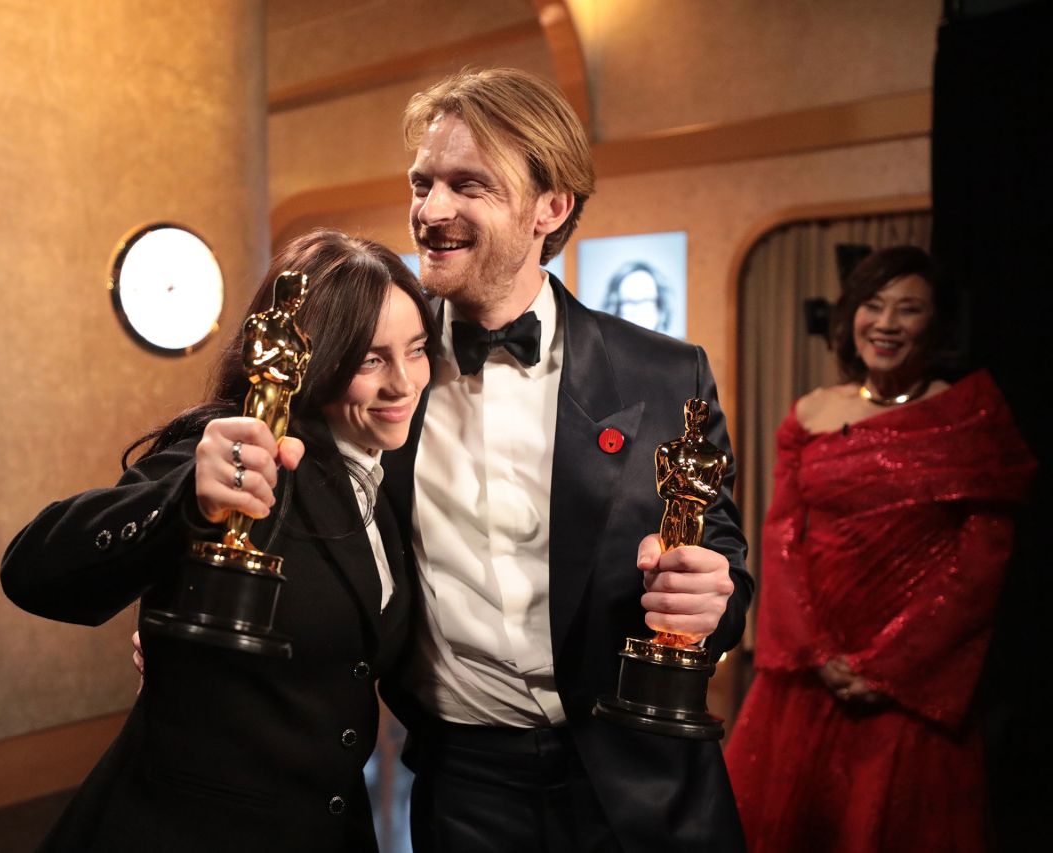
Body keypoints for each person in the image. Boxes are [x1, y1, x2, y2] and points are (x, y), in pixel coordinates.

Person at [135, 69, 751, 852]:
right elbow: (285, 509)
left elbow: (720, 556)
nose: (431, 211)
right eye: (422, 183)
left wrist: (715, 604)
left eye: (468, 185)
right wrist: (184, 611)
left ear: (550, 208)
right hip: (464, 784)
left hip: (646, 780)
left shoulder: (667, 373)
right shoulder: (371, 371)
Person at [1, 229, 436, 852]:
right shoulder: (243, 455)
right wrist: (186, 503)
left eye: (416, 350)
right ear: (312, 360)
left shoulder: (382, 478)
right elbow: (31, 570)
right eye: (370, 360)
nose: (404, 382)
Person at [723, 246, 1036, 852]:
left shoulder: (969, 414)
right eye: (873, 305)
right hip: (811, 675)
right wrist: (817, 653)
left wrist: (889, 667)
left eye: (909, 308)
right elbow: (781, 535)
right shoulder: (809, 413)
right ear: (850, 317)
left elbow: (981, 561)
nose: (887, 323)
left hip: (912, 686)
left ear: (938, 324)